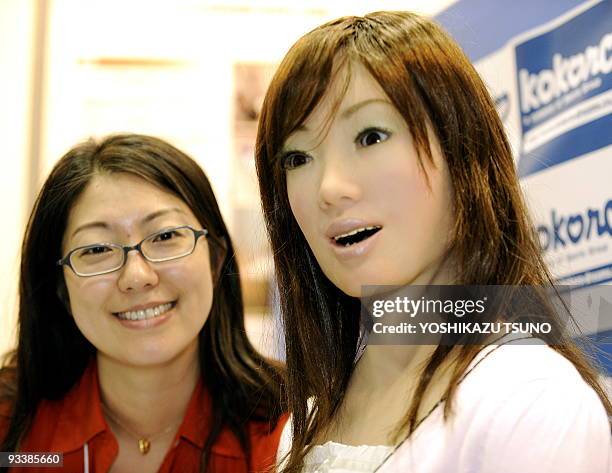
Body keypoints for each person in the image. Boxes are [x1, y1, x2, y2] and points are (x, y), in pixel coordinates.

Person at [254, 11, 611, 473]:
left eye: (370, 135)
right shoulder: (306, 422)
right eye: (298, 157)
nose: (329, 186)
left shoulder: (530, 402)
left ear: (464, 153)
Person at [0, 134, 286, 472]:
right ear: (61, 286)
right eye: (96, 250)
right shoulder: (12, 429)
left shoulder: (289, 429)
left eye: (165, 237)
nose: (136, 276)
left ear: (215, 259)